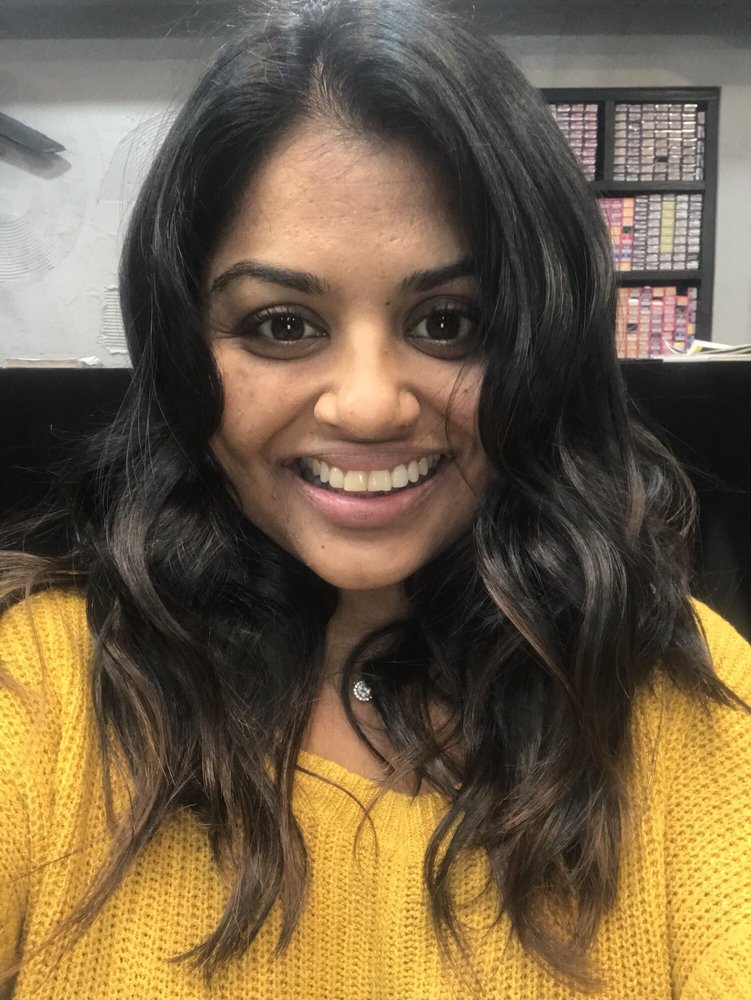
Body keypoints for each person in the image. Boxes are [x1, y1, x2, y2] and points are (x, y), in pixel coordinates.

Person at [1, 1, 749, 997]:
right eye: (281, 324)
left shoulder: (682, 694)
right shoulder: (39, 689)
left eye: (448, 322)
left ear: (543, 345)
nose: (366, 404)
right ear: (181, 348)